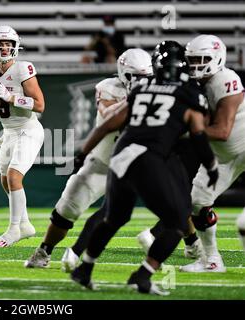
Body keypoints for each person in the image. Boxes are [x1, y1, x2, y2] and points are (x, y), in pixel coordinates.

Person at [70, 43, 218, 295]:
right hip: (148, 159)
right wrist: (211, 165)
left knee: (113, 218)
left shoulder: (140, 89)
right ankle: (143, 275)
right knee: (178, 222)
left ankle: (84, 268)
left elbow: (106, 125)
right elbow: (198, 135)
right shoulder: (189, 93)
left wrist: (83, 152)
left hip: (121, 155)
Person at [24, 48, 153, 269]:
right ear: (123, 74)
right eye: (135, 77)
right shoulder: (108, 87)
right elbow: (108, 114)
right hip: (102, 162)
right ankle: (44, 250)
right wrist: (136, 101)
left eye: (146, 77)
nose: (141, 82)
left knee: (180, 200)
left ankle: (194, 244)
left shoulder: (158, 91)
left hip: (139, 165)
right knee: (66, 209)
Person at [176, 35, 245, 272]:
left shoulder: (225, 80)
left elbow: (223, 130)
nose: (196, 65)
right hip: (223, 155)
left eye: (202, 59)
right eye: (192, 60)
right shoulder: (191, 83)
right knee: (197, 202)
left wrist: (181, 132)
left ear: (217, 57)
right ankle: (212, 261)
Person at [0, 25, 45, 247]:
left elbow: (40, 105)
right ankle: (25, 224)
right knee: (6, 181)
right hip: (8, 132)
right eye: (0, 44)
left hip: (28, 129)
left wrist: (10, 97)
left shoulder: (23, 69)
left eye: (8, 44)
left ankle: (13, 230)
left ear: (15, 46)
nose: (4, 48)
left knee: (15, 177)